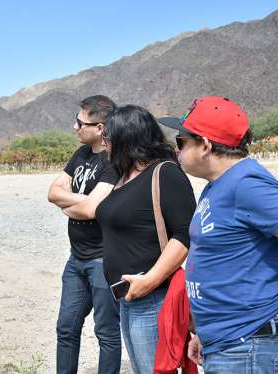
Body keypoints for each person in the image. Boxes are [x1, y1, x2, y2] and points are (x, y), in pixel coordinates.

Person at [66, 105, 196, 374]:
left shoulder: (165, 172)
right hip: (128, 297)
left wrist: (150, 280)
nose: (104, 144)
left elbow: (184, 235)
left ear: (127, 138)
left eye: (108, 138)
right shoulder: (123, 175)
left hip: (153, 296)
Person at [159, 96, 278, 374]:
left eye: (181, 142)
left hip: (247, 345)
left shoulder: (246, 184)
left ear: (205, 145)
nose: (176, 150)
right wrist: (203, 333)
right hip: (225, 343)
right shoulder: (218, 184)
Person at [48, 95, 121, 374]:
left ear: (101, 128)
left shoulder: (113, 160)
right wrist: (79, 201)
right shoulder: (81, 155)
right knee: (66, 328)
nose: (74, 126)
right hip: (76, 259)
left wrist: (70, 203)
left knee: (106, 333)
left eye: (80, 122)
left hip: (103, 261)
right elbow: (52, 192)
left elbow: (92, 210)